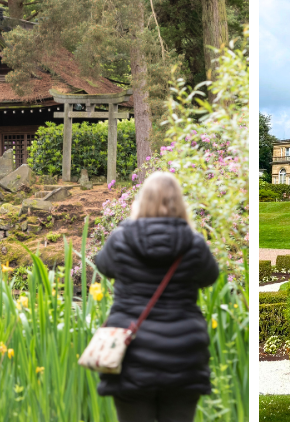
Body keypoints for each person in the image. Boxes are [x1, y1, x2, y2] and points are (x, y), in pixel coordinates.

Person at [94, 171, 221, 422]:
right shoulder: (193, 243)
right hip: (183, 354)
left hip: (132, 353)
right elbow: (210, 277)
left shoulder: (122, 239)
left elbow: (103, 266)